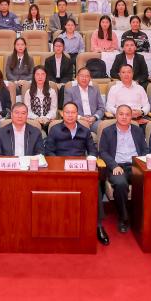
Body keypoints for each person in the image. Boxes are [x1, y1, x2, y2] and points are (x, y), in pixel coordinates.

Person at [45, 102, 109, 245]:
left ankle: (98, 225)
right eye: (67, 112)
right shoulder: (55, 130)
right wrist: (60, 165)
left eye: (73, 112)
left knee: (96, 186)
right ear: (62, 114)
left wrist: (90, 160)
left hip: (80, 169)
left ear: (77, 114)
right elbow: (48, 152)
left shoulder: (84, 130)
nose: (70, 115)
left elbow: (92, 151)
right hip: (60, 170)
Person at [98, 104, 147, 233]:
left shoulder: (137, 131)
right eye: (121, 114)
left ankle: (144, 217)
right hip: (117, 166)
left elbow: (144, 150)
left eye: (127, 114)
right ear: (116, 115)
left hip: (135, 165)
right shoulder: (108, 131)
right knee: (120, 183)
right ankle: (123, 218)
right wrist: (114, 165)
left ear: (132, 117)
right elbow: (103, 152)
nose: (124, 117)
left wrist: (141, 164)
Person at [64, 67, 106, 132]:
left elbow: (101, 108)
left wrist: (94, 117)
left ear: (90, 78)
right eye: (82, 76)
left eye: (87, 76)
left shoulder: (95, 90)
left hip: (94, 121)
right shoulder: (70, 91)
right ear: (77, 77)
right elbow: (67, 110)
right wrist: (81, 118)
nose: (84, 78)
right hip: (77, 121)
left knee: (105, 128)